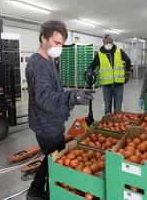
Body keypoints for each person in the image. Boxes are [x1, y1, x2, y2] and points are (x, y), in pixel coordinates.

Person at [25, 20, 95, 200]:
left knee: (52, 158)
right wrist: (72, 97)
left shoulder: (48, 60)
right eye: (56, 43)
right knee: (55, 160)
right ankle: (43, 192)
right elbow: (44, 98)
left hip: (52, 122)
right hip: (46, 125)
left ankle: (36, 190)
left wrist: (71, 98)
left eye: (62, 44)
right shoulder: (38, 64)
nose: (59, 47)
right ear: (43, 38)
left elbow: (55, 92)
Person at [87, 34, 131, 114]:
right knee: (107, 108)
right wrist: (89, 70)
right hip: (107, 86)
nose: (108, 44)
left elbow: (128, 60)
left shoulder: (119, 51)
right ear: (103, 42)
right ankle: (108, 124)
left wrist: (127, 72)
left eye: (110, 42)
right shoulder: (100, 54)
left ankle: (117, 123)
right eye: (106, 42)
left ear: (112, 42)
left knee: (118, 108)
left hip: (118, 85)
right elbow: (92, 65)